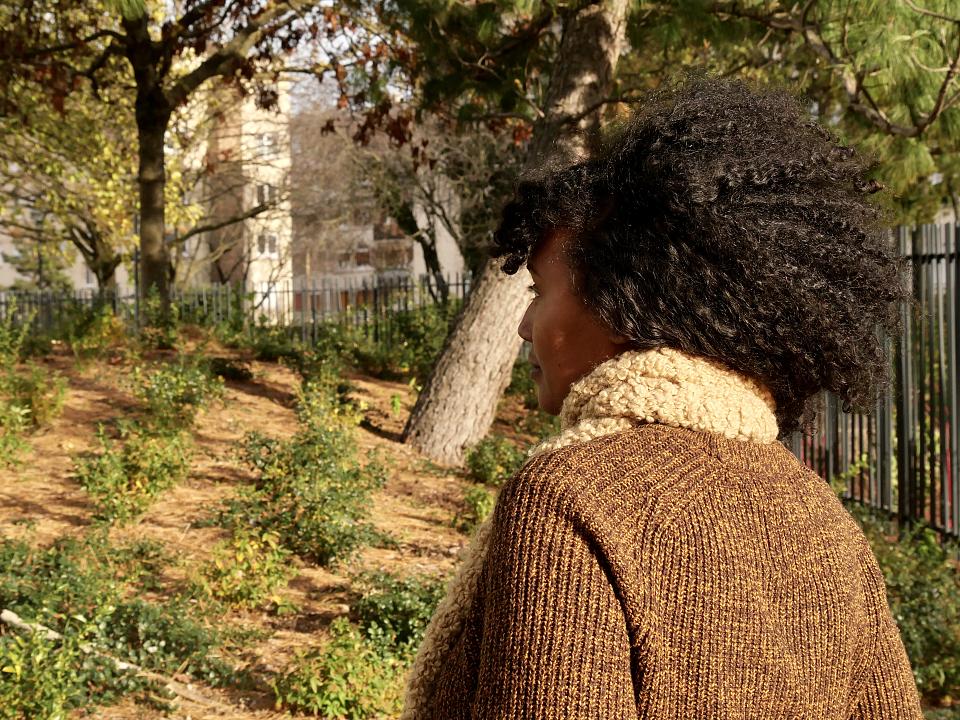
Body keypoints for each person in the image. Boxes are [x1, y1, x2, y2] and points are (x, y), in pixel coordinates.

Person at [401, 75, 924, 719]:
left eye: (539, 289)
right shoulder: (823, 519)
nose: (523, 324)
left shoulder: (573, 499)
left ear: (626, 299)